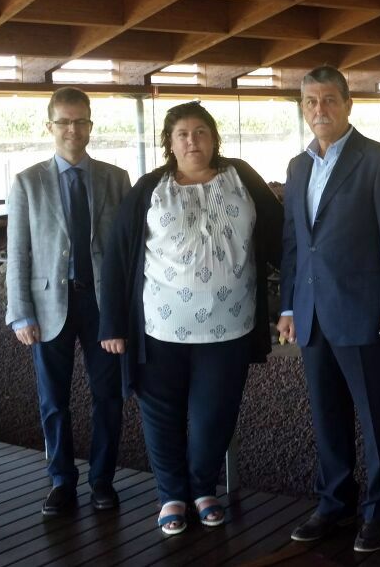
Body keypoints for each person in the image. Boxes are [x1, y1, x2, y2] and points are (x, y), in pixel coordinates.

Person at [99, 101, 283, 536]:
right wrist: (113, 325)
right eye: (182, 133)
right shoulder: (149, 188)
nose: (192, 140)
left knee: (213, 416)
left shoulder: (242, 178)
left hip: (229, 328)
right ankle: (171, 496)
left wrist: (294, 300)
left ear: (214, 137)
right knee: (161, 415)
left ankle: (202, 488)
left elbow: (282, 237)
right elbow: (118, 258)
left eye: (200, 131)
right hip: (159, 331)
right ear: (169, 142)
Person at [278, 66, 380, 553]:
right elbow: (295, 243)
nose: (320, 110)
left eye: (329, 100)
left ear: (347, 104)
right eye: (311, 102)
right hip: (312, 314)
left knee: (378, 417)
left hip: (366, 313)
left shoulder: (379, 160)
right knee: (326, 415)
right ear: (303, 108)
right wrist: (289, 307)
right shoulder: (298, 167)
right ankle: (333, 503)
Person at [5, 87, 131, 515]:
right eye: (64, 121)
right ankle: (61, 480)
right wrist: (20, 312)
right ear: (50, 127)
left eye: (80, 121)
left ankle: (102, 480)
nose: (72, 129)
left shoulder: (116, 179)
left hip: (102, 306)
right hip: (48, 306)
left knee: (108, 396)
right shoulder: (27, 182)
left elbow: (126, 251)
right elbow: (18, 251)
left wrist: (127, 310)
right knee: (53, 400)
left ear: (91, 126)